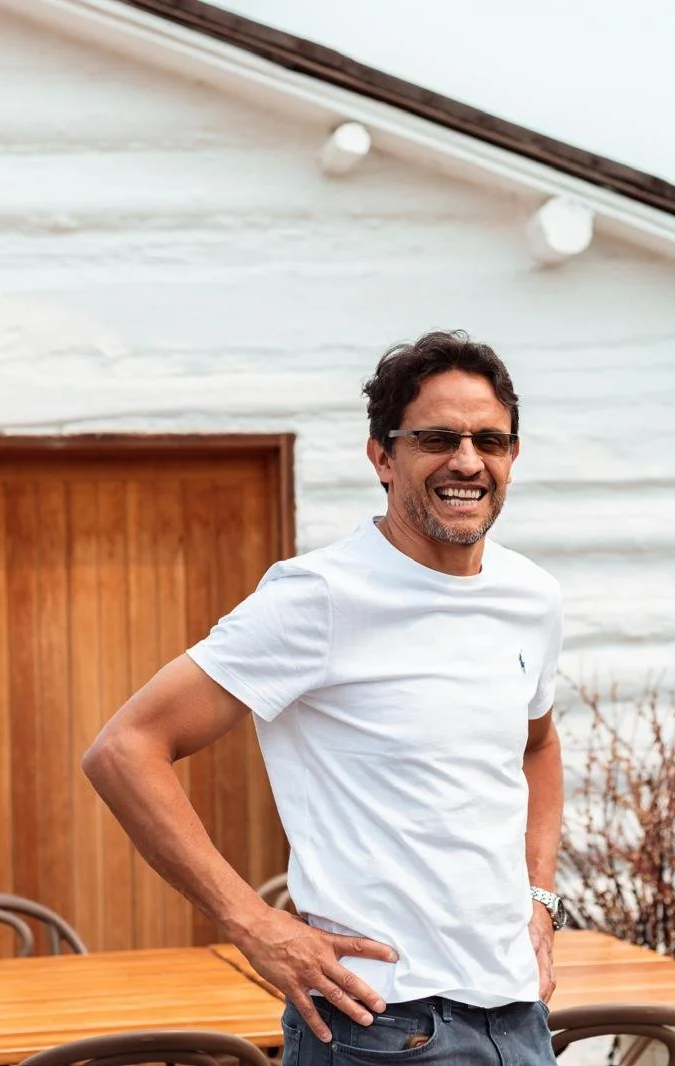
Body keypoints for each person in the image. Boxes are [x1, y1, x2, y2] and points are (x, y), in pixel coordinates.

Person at [83, 330, 566, 1065]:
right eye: (437, 438)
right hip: (378, 1025)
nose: (467, 461)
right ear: (382, 456)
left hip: (517, 1017)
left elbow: (538, 745)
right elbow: (124, 750)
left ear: (512, 456)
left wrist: (540, 899)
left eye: (489, 441)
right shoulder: (322, 596)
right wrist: (253, 924)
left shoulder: (531, 595)